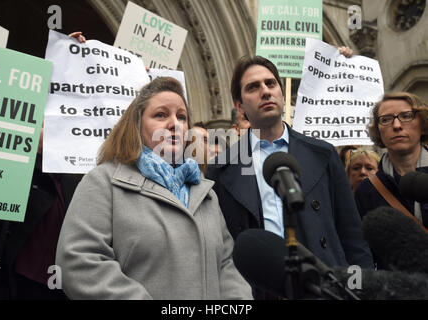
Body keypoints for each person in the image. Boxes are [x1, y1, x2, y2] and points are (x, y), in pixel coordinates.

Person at [55, 77, 253, 300]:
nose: (174, 124)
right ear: (137, 125)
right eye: (160, 115)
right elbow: (79, 261)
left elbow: (227, 265)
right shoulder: (104, 182)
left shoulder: (206, 194)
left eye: (181, 117)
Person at [206, 55, 374, 299]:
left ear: (282, 94)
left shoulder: (322, 154)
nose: (265, 91)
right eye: (253, 87)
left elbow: (353, 237)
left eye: (270, 84)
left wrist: (361, 289)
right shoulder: (223, 169)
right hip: (257, 291)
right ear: (240, 106)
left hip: (325, 287)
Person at [0, 122, 82, 300]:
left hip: (66, 281)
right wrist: (30, 151)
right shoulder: (12, 162)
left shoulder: (82, 172)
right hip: (17, 280)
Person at [355, 92, 428, 229]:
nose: (396, 125)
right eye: (386, 119)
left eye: (406, 116)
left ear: (422, 124)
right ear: (378, 131)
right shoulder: (367, 191)